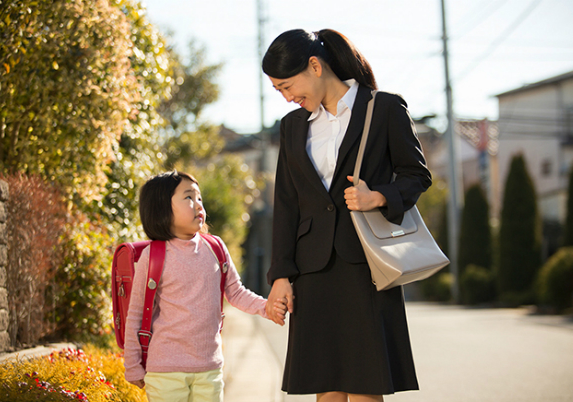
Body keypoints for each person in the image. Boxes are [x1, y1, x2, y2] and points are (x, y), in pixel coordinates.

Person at [262, 29, 433, 402]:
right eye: (279, 91)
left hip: (366, 266)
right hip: (313, 270)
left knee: (365, 384)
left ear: (314, 65)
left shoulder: (384, 108)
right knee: (327, 385)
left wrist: (379, 197)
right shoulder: (292, 127)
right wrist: (281, 275)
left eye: (287, 86)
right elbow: (287, 203)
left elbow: (417, 175)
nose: (288, 97)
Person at [123, 170, 286, 402]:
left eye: (199, 198)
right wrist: (133, 365)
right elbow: (136, 314)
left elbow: (236, 292)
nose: (198, 204)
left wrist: (265, 306)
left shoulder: (215, 248)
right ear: (161, 208)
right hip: (165, 371)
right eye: (188, 197)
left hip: (209, 368)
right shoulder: (153, 256)